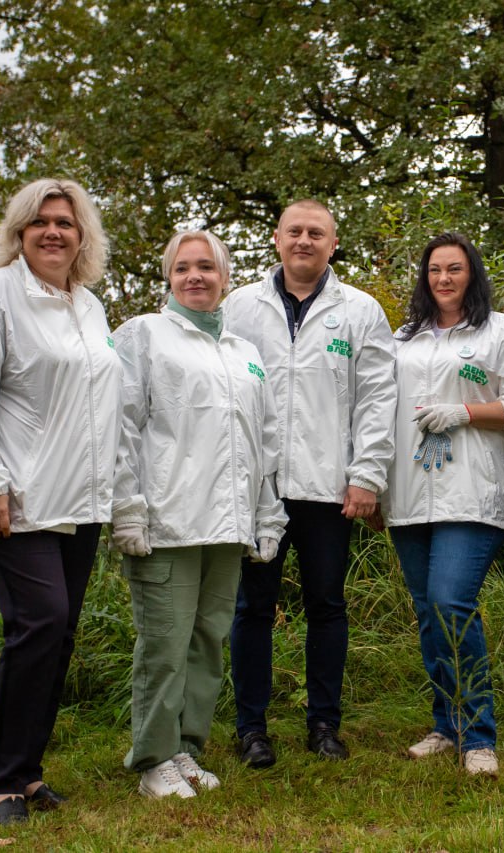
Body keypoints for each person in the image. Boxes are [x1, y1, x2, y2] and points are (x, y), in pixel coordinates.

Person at [0, 178, 121, 825]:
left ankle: (30, 771)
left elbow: (102, 406)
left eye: (65, 223)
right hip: (13, 497)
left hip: (81, 498)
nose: (53, 232)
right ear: (19, 234)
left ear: (82, 237)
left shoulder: (89, 307)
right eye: (39, 222)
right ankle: (2, 784)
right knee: (38, 621)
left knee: (59, 632)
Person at [110, 229, 288, 799]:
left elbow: (262, 443)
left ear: (225, 277)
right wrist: (127, 510)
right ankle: (152, 760)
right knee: (164, 644)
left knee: (208, 639)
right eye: (183, 267)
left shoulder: (244, 353)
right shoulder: (143, 336)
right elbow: (119, 427)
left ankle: (186, 749)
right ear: (168, 276)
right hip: (167, 521)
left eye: (206, 267)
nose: (195, 276)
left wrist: (266, 517)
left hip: (228, 524)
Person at [223, 199, 396, 766]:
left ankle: (324, 725)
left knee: (326, 605)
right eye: (294, 231)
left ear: (332, 243)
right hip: (258, 485)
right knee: (252, 607)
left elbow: (377, 400)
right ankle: (251, 728)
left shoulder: (362, 311)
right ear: (276, 239)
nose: (304, 240)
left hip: (329, 487)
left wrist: (366, 475)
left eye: (315, 233)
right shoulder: (239, 307)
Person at [382, 233, 504, 776]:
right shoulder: (403, 338)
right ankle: (445, 725)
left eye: (455, 269)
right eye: (434, 270)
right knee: (430, 613)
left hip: (473, 491)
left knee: (452, 604)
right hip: (407, 493)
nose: (444, 279)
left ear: (473, 273)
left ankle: (478, 735)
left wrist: (466, 412)